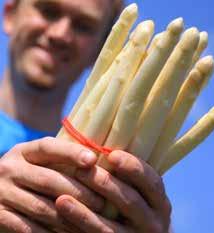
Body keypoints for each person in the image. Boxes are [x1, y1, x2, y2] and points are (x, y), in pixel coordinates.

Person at [0, 0, 172, 232]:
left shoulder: (109, 169)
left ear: (102, 50)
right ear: (10, 15)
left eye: (83, 26)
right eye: (48, 11)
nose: (60, 34)